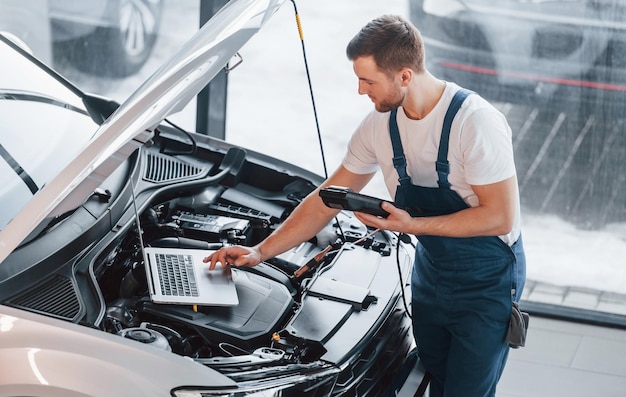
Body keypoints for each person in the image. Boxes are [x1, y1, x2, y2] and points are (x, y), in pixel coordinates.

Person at [205, 14, 526, 397]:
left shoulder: (474, 123)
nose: (360, 91)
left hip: (486, 280)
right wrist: (260, 252)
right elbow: (325, 199)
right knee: (436, 378)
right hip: (433, 271)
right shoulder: (380, 127)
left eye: (369, 81)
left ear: (405, 76)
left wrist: (413, 227)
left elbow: (498, 216)